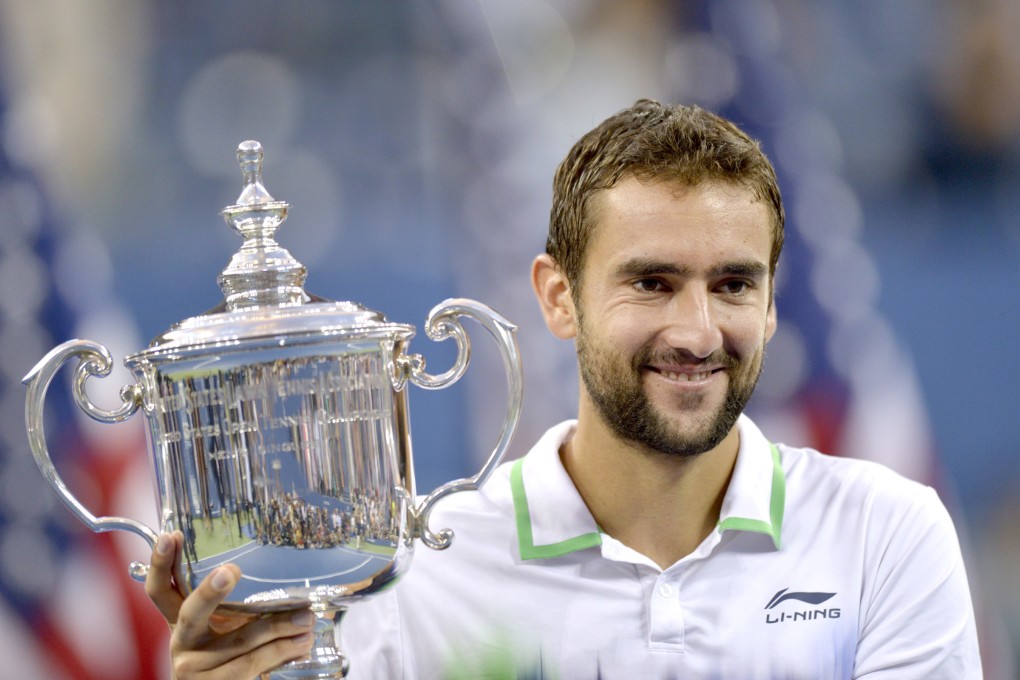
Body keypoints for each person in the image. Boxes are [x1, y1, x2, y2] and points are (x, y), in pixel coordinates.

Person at [145, 100, 982, 679]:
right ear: (557, 297)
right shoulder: (410, 576)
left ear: (770, 306)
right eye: (651, 284)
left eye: (733, 284)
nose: (696, 331)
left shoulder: (886, 536)